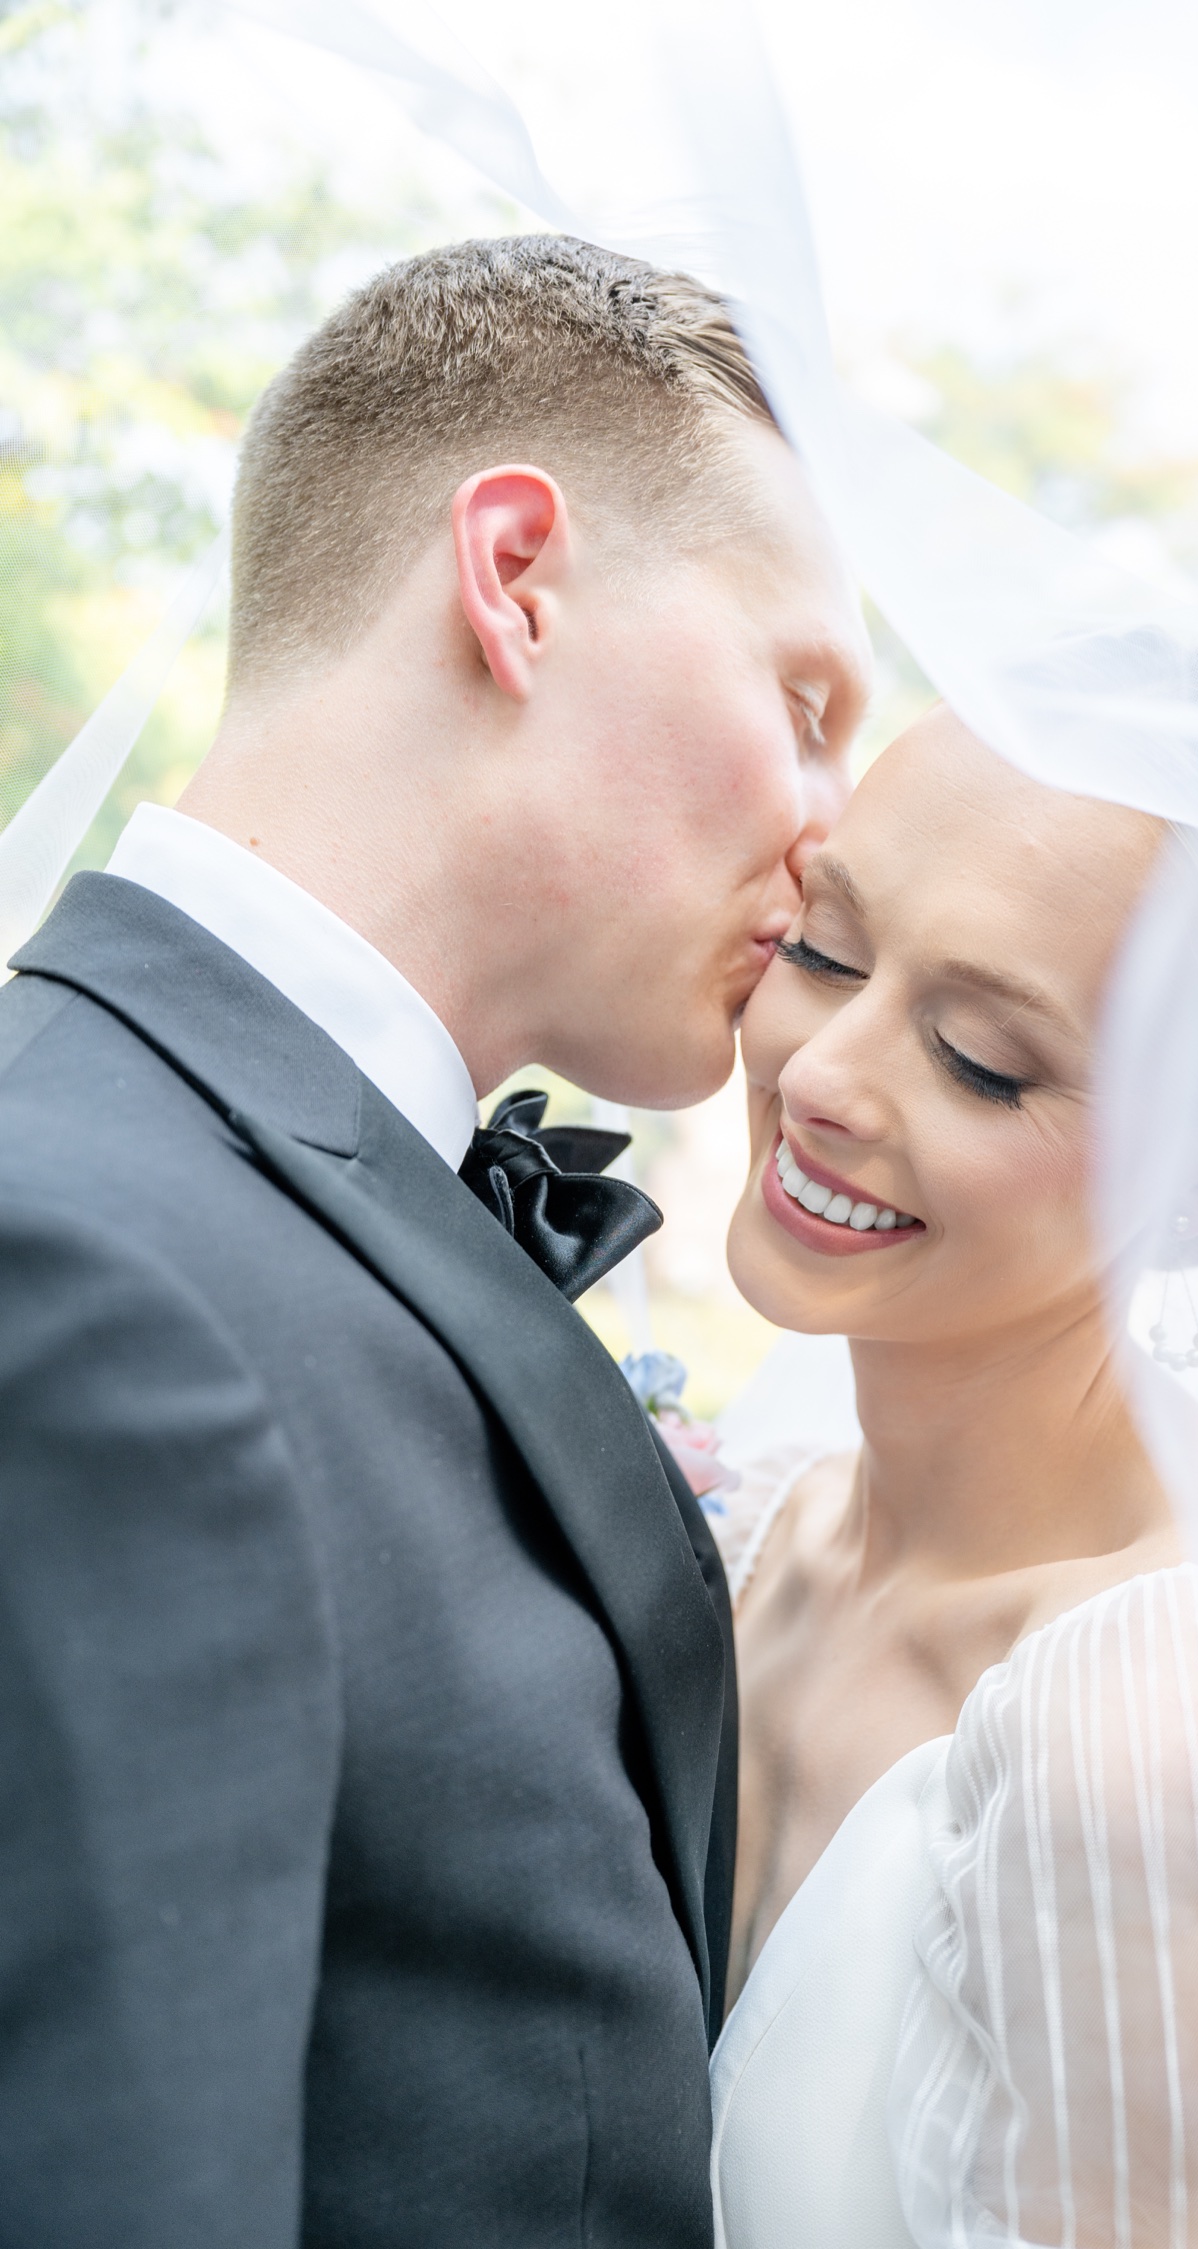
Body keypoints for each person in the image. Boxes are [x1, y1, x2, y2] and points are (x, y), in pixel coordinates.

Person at [0, 233, 869, 2246]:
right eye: (805, 695)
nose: (832, 828)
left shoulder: (247, 1196)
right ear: (517, 579)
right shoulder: (83, 1275)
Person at [709, 705, 1198, 2248]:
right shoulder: (764, 1521)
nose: (820, 1072)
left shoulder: (1172, 1732)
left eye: (983, 1060)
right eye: (825, 949)